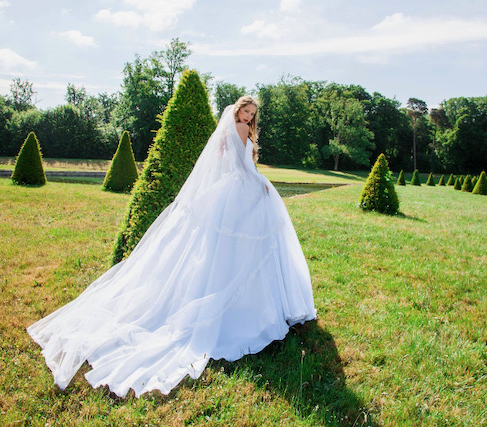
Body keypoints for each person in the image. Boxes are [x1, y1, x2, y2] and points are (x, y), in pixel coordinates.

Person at [27, 96, 317, 398]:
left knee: (222, 246)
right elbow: (241, 167)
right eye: (245, 111)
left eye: (252, 114)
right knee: (251, 243)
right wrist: (260, 184)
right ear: (237, 108)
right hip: (241, 188)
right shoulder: (239, 131)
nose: (247, 117)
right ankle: (252, 304)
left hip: (227, 191)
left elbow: (223, 164)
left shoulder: (225, 131)